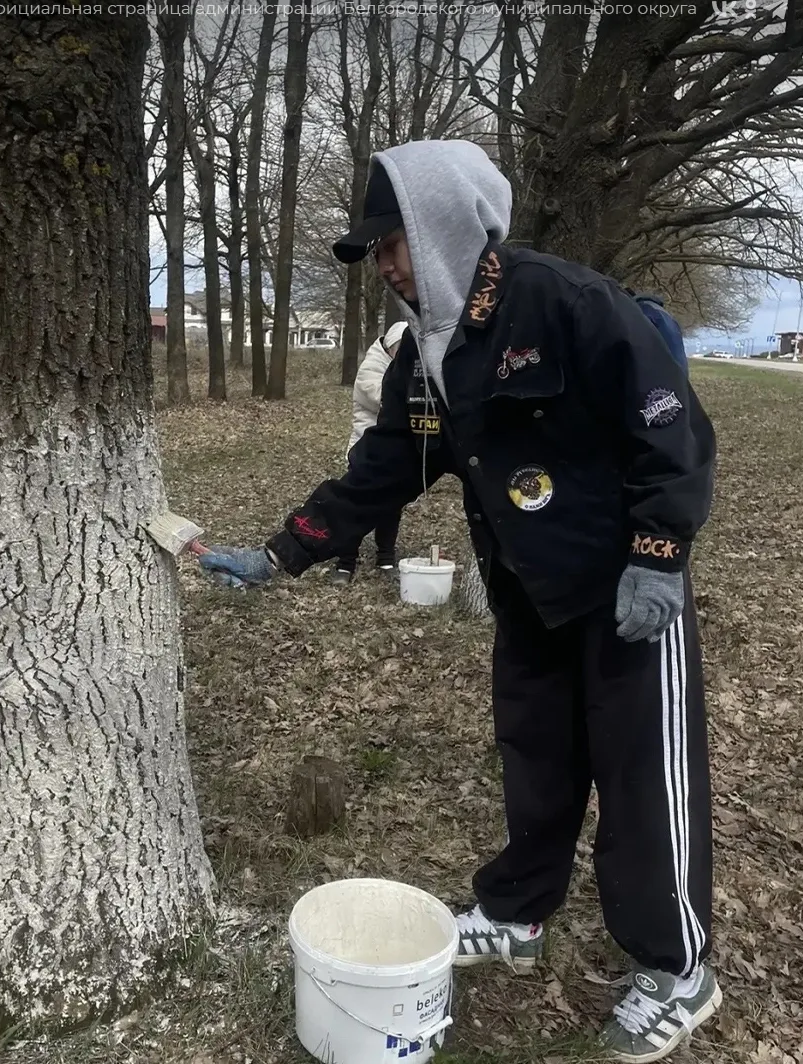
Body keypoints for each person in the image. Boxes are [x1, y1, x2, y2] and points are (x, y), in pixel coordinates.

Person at [198, 139, 719, 1063]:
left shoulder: (567, 303)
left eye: (392, 244)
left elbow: (670, 427)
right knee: (537, 761)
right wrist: (283, 553)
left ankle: (678, 967)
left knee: (644, 780)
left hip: (623, 592)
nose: (387, 267)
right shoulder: (425, 353)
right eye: (379, 253)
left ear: (442, 229)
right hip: (525, 595)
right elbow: (383, 470)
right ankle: (517, 916)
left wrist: (658, 552)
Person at [330, 320, 407, 585]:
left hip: (395, 450)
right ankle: (344, 563)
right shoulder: (370, 370)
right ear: (390, 348)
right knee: (357, 507)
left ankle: (386, 558)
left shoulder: (402, 370)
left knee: (391, 507)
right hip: (366, 449)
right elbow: (384, 399)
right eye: (401, 350)